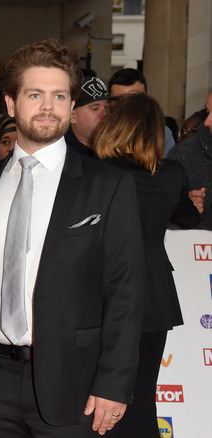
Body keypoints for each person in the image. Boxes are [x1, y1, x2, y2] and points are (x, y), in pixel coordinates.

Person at [0, 39, 144, 438]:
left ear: (70, 103)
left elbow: (126, 291)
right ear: (11, 104)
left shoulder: (109, 186)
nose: (48, 106)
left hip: (75, 385)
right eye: (35, 94)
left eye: (59, 95)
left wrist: (114, 384)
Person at [94, 92, 199, 438]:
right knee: (141, 400)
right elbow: (187, 218)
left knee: (95, 400)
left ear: (115, 125)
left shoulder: (98, 172)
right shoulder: (171, 174)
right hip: (154, 297)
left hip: (101, 296)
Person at [168, 91, 212, 229]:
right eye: (208, 111)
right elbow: (161, 215)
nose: (207, 122)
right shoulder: (183, 154)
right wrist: (185, 209)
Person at [108, 68, 176, 156]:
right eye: (119, 100)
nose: (126, 106)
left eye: (134, 98)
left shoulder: (161, 133)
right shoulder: (98, 130)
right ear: (109, 101)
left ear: (147, 97)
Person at [64, 76, 110, 157]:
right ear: (72, 116)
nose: (104, 113)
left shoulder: (114, 150)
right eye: (95, 108)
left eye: (106, 107)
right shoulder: (63, 155)